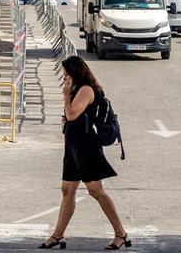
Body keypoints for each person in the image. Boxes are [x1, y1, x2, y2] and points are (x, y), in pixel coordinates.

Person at [40, 56, 129, 250]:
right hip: (73, 146)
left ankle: (121, 234)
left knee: (95, 190)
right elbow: (73, 117)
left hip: (86, 146)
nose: (65, 78)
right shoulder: (77, 89)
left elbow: (72, 114)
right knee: (67, 190)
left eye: (67, 74)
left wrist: (65, 96)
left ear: (75, 73)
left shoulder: (86, 90)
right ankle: (58, 236)